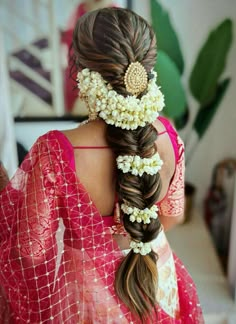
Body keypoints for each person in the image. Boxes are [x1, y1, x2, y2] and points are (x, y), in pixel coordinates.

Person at [0, 8, 204, 323]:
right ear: (145, 71)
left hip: (89, 296)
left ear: (81, 73)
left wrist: (7, 194)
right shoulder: (168, 134)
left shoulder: (56, 150)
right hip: (155, 276)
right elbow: (172, 216)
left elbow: (29, 250)